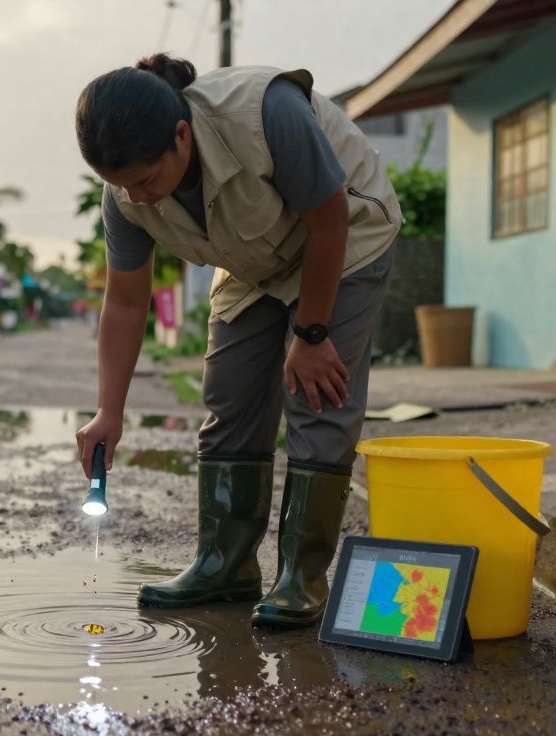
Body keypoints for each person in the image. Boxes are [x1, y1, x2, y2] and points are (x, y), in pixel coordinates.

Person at [73, 54, 401, 628]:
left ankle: (301, 577)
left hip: (345, 237)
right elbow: (125, 303)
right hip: (253, 261)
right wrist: (109, 411)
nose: (141, 199)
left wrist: (313, 333)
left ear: (181, 136)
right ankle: (223, 563)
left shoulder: (267, 112)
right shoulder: (126, 197)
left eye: (148, 180)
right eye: (123, 187)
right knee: (228, 397)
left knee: (317, 397)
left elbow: (329, 221)